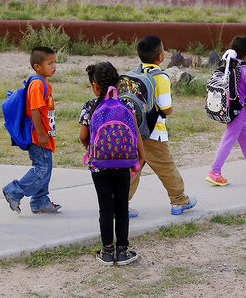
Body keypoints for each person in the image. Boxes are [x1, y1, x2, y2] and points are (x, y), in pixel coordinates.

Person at [79, 62, 145, 266]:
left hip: (99, 166)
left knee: (105, 209)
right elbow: (135, 133)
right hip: (124, 164)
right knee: (122, 208)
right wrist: (141, 158)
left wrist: (91, 146)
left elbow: (83, 136)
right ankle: (123, 251)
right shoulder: (128, 105)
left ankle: (107, 251)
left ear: (95, 86)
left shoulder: (90, 106)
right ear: (118, 83)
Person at [127, 35, 197, 217]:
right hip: (153, 133)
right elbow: (165, 108)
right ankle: (179, 200)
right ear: (161, 57)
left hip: (134, 131)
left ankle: (120, 204)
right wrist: (171, 108)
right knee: (166, 168)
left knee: (133, 168)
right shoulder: (161, 78)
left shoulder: (135, 73)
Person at [3, 46, 61, 214]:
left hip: (45, 135)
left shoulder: (43, 83)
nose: (54, 67)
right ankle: (14, 191)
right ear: (37, 66)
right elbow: (34, 110)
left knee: (46, 168)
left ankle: (40, 201)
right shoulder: (37, 84)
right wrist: (41, 133)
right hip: (38, 136)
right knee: (41, 168)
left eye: (55, 62)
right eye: (50, 63)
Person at [206, 36, 246, 185]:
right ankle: (215, 171)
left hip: (227, 107)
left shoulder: (229, 65)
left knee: (244, 134)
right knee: (228, 139)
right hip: (238, 111)